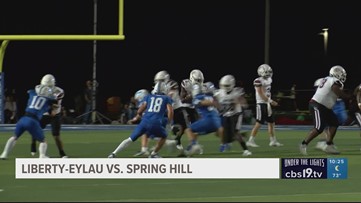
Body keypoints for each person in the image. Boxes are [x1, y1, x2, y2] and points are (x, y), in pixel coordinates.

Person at [108, 81, 174, 158]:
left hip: (144, 122)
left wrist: (140, 115)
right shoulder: (166, 98)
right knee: (164, 136)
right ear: (164, 89)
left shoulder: (148, 96)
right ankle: (153, 154)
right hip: (156, 122)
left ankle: (113, 153)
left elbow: (139, 111)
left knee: (130, 139)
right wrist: (169, 122)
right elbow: (170, 111)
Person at [299, 65, 350, 155]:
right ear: (336, 73)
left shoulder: (328, 79)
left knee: (334, 123)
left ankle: (329, 145)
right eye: (341, 74)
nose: (342, 76)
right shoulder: (334, 81)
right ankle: (304, 144)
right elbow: (336, 90)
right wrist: (349, 97)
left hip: (324, 107)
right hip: (317, 105)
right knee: (319, 128)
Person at [0, 84, 57, 159]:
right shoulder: (48, 101)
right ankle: (42, 155)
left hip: (23, 119)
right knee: (43, 141)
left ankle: (4, 154)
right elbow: (53, 113)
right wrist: (54, 106)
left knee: (14, 137)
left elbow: (30, 91)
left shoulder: (33, 94)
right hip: (33, 121)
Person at [30, 74, 68, 158]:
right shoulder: (38, 88)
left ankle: (62, 153)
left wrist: (53, 109)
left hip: (54, 114)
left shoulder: (59, 91)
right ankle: (33, 144)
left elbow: (55, 105)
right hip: (43, 114)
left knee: (56, 135)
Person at [246, 64, 283, 147]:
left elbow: (267, 92)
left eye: (269, 71)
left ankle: (273, 141)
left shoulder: (269, 79)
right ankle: (250, 141)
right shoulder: (258, 80)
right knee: (259, 123)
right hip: (261, 103)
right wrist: (271, 101)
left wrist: (269, 101)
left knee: (271, 123)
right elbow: (260, 93)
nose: (269, 73)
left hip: (267, 103)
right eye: (267, 72)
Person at [183, 82, 224, 156]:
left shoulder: (199, 97)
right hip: (217, 121)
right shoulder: (211, 96)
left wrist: (208, 102)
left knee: (188, 130)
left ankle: (194, 145)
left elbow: (202, 102)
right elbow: (219, 107)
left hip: (209, 120)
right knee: (195, 133)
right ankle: (189, 149)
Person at [214, 75, 252, 156]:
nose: (225, 87)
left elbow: (244, 104)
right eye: (224, 85)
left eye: (227, 85)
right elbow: (215, 101)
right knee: (220, 133)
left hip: (236, 114)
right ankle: (231, 140)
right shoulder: (219, 93)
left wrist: (239, 102)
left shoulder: (236, 92)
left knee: (235, 133)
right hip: (225, 115)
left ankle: (246, 150)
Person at [313, 77, 348, 151]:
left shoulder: (332, 82)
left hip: (333, 104)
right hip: (325, 105)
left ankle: (327, 142)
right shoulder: (329, 82)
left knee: (333, 123)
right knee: (326, 125)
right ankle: (323, 142)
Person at [177, 69, 204, 149]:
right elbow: (182, 99)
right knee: (185, 126)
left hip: (193, 108)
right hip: (184, 106)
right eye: (197, 80)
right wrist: (191, 96)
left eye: (200, 80)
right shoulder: (186, 83)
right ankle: (180, 140)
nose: (198, 82)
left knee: (197, 127)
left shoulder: (202, 86)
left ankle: (191, 146)